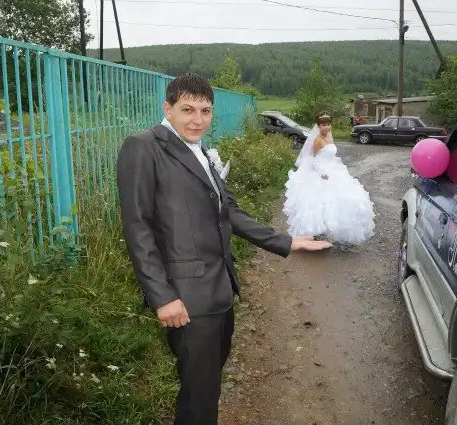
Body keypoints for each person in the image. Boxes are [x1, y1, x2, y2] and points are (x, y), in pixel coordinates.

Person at [116, 73, 331, 425]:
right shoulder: (143, 147)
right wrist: (162, 296)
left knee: (206, 388)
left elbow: (227, 211)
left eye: (205, 111)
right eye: (188, 110)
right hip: (185, 298)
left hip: (220, 290)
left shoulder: (200, 150)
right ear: (167, 109)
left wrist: (285, 241)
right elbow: (137, 227)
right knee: (199, 396)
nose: (198, 120)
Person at [283, 112, 376, 247]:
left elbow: (331, 156)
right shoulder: (317, 140)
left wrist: (337, 168)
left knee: (345, 198)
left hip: (333, 169)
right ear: (318, 126)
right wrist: (322, 173)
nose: (326, 127)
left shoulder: (328, 138)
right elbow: (312, 159)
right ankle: (316, 232)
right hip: (322, 172)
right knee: (323, 202)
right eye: (323, 125)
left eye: (328, 124)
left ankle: (341, 231)